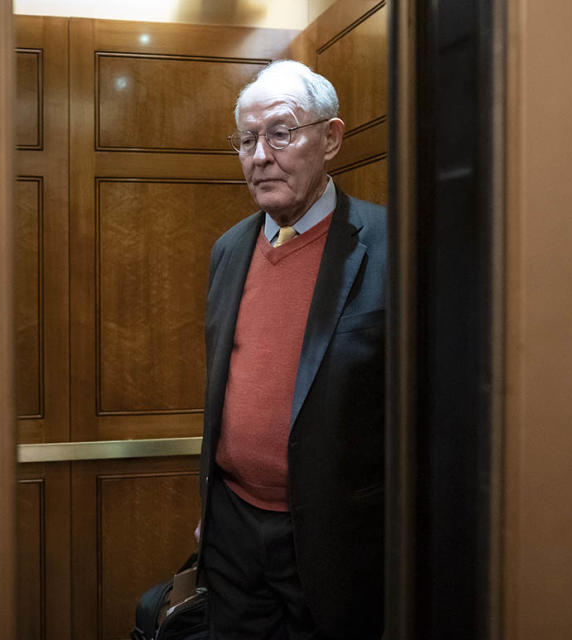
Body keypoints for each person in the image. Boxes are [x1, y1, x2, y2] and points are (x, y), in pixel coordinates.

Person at [197, 60, 386, 639]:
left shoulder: (392, 247)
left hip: (337, 540)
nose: (260, 156)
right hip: (232, 526)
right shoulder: (229, 250)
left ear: (330, 139)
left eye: (280, 133)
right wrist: (209, 512)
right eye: (248, 139)